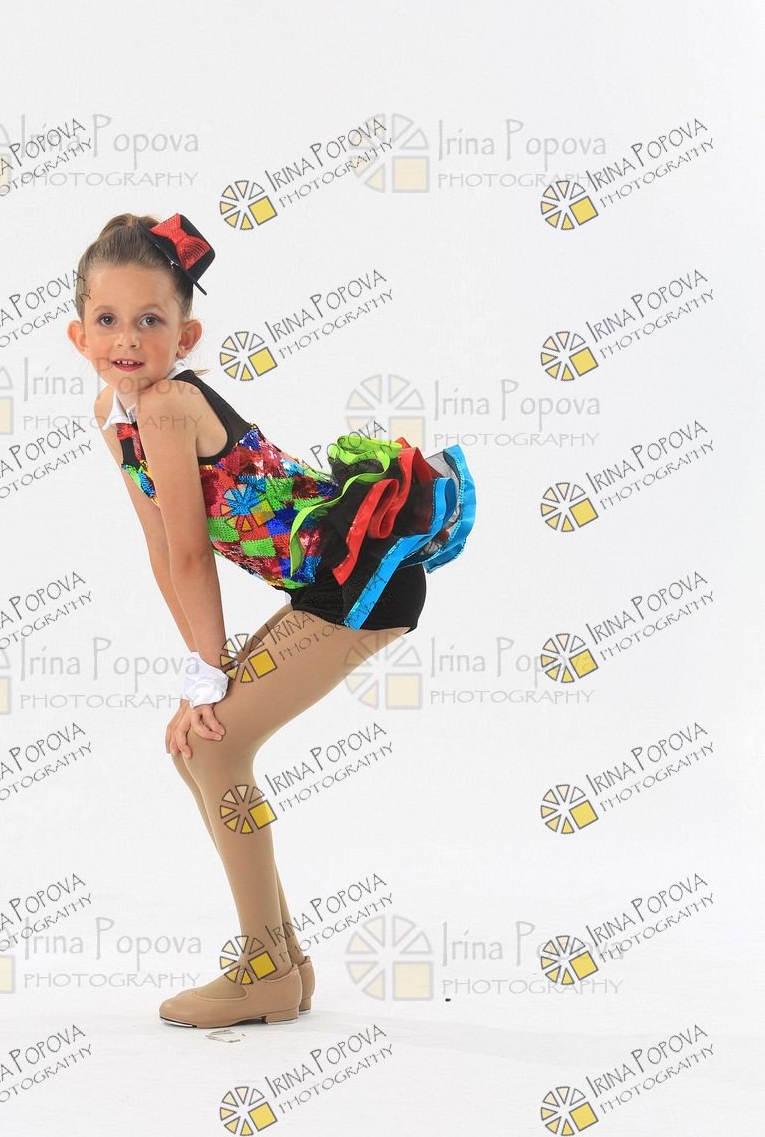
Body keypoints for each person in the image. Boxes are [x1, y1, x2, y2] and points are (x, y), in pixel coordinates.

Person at [67, 211, 476, 1030]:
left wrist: (207, 677)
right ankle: (282, 962)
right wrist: (202, 672)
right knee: (198, 751)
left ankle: (264, 971)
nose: (127, 339)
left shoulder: (169, 406)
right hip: (327, 591)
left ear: (187, 336)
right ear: (78, 336)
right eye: (107, 320)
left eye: (151, 320)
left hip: (360, 583)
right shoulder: (114, 415)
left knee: (215, 751)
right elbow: (160, 548)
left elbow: (194, 554)